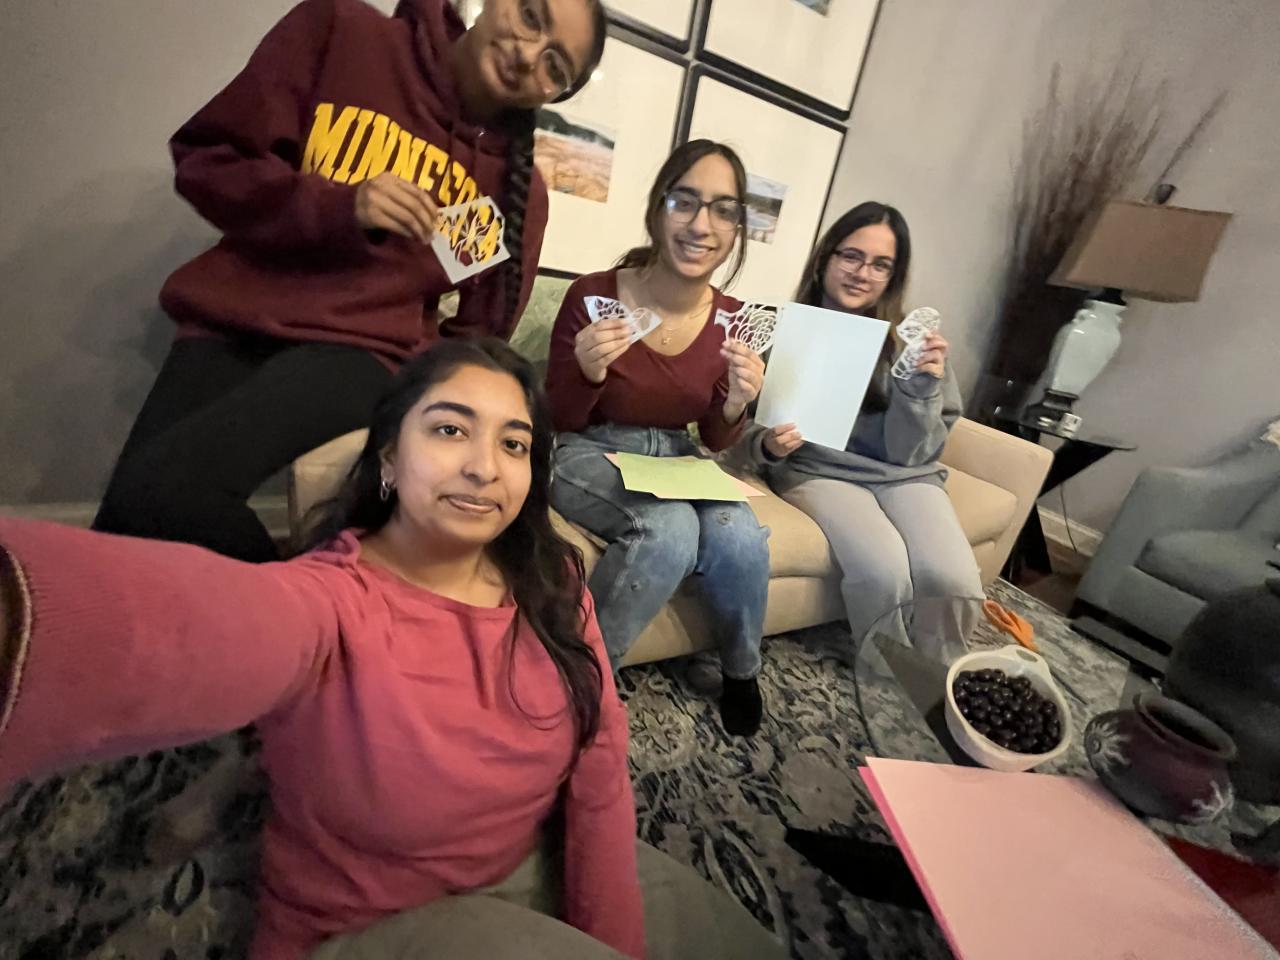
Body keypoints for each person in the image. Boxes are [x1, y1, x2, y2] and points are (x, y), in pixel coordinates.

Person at [0, 340, 787, 960]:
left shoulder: (554, 581)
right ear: (387, 459)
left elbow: (600, 761)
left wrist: (610, 934)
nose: (483, 466)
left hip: (528, 862)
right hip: (366, 924)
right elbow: (174, 628)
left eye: (514, 444)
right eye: (449, 430)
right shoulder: (325, 605)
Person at [92, 0, 608, 562]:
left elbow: (479, 337)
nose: (529, 55)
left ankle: (319, 609)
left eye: (556, 65)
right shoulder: (343, 32)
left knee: (163, 490)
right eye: (531, 17)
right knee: (124, 521)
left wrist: (426, 396)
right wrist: (341, 206)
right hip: (234, 317)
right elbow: (209, 163)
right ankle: (318, 602)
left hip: (363, 355)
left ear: (557, 94)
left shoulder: (515, 192)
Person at [544, 140, 772, 737]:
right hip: (590, 448)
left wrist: (738, 402)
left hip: (678, 453)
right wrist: (587, 371)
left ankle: (742, 671)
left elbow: (716, 437)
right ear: (657, 208)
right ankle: (580, 682)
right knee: (668, 528)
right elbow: (559, 417)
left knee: (741, 535)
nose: (702, 225)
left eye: (723, 209)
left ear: (737, 228)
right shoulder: (592, 294)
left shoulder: (734, 318)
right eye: (685, 202)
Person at [744, 202, 983, 651]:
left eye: (880, 265)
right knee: (883, 571)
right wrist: (769, 445)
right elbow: (743, 432)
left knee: (952, 578)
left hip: (905, 474)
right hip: (820, 472)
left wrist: (919, 390)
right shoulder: (783, 330)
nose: (862, 273)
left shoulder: (912, 346)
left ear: (893, 276)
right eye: (851, 256)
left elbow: (913, 453)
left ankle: (940, 672)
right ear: (825, 259)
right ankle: (885, 670)